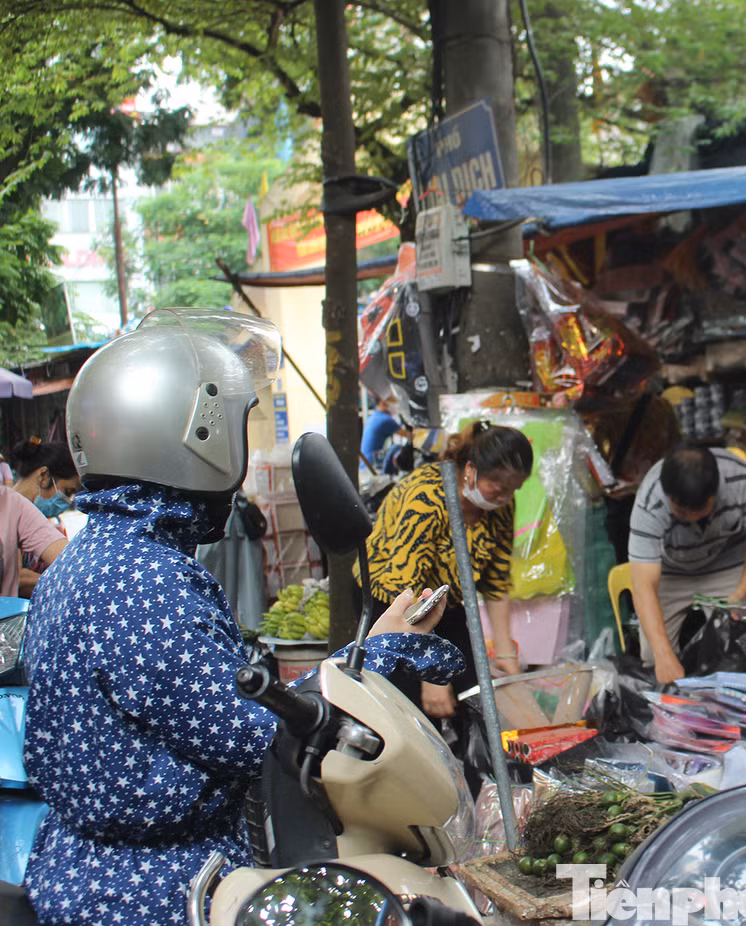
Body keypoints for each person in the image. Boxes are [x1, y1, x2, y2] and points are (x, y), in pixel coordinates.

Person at [21, 309, 467, 926]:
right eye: (234, 425)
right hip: (163, 893)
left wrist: (365, 653)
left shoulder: (94, 559)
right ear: (193, 436)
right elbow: (265, 736)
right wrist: (383, 655)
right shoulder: (146, 585)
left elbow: (230, 708)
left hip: (89, 874)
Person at [359, 419, 532, 733]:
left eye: (514, 489)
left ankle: (472, 776)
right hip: (394, 606)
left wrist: (506, 652)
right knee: (408, 712)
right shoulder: (426, 495)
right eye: (498, 485)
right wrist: (429, 673)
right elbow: (406, 589)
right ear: (470, 469)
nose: (505, 496)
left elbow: (496, 581)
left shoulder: (500, 505)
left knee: (470, 690)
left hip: (445, 603)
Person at [628, 445, 746, 685]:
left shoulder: (741, 479)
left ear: (714, 495)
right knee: (655, 658)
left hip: (726, 563)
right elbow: (644, 585)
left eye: (696, 511)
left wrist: (741, 593)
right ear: (669, 496)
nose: (687, 517)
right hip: (671, 571)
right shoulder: (650, 499)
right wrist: (664, 655)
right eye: (680, 511)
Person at [10, 437, 81, 595]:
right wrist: (66, 583)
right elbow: (16, 578)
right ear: (44, 476)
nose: (68, 501)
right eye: (68, 491)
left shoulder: (37, 521)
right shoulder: (8, 511)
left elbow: (70, 561)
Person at [360, 392, 406, 470]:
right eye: (393, 401)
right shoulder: (385, 420)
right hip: (372, 468)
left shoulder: (373, 417)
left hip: (365, 465)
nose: (395, 405)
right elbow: (409, 435)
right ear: (383, 402)